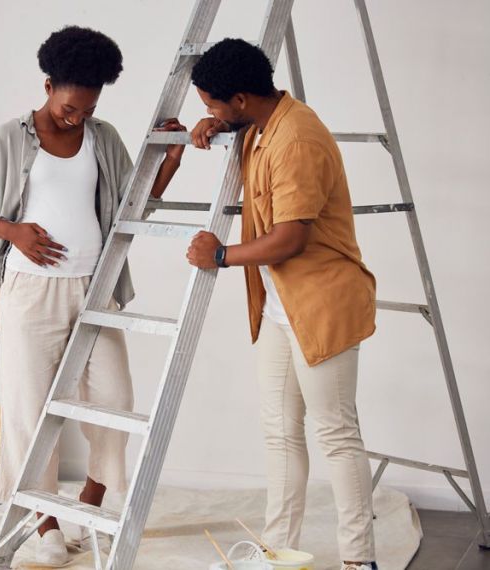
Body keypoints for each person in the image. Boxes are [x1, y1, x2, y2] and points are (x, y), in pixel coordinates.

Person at [0, 25, 185, 565]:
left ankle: (88, 503)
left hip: (95, 286)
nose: (76, 116)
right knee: (30, 409)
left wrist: (170, 159)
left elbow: (132, 205)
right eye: (68, 106)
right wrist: (13, 232)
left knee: (114, 400)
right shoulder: (8, 139)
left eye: (87, 107)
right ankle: (43, 519)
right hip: (31, 292)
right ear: (48, 84)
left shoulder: (102, 137)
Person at [185, 38, 378, 570]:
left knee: (336, 432)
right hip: (278, 307)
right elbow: (242, 122)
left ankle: (360, 560)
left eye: (212, 105)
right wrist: (219, 125)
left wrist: (221, 255)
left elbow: (292, 237)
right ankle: (278, 552)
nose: (209, 114)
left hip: (321, 303)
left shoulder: (297, 138)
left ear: (242, 98)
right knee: (280, 431)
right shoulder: (261, 124)